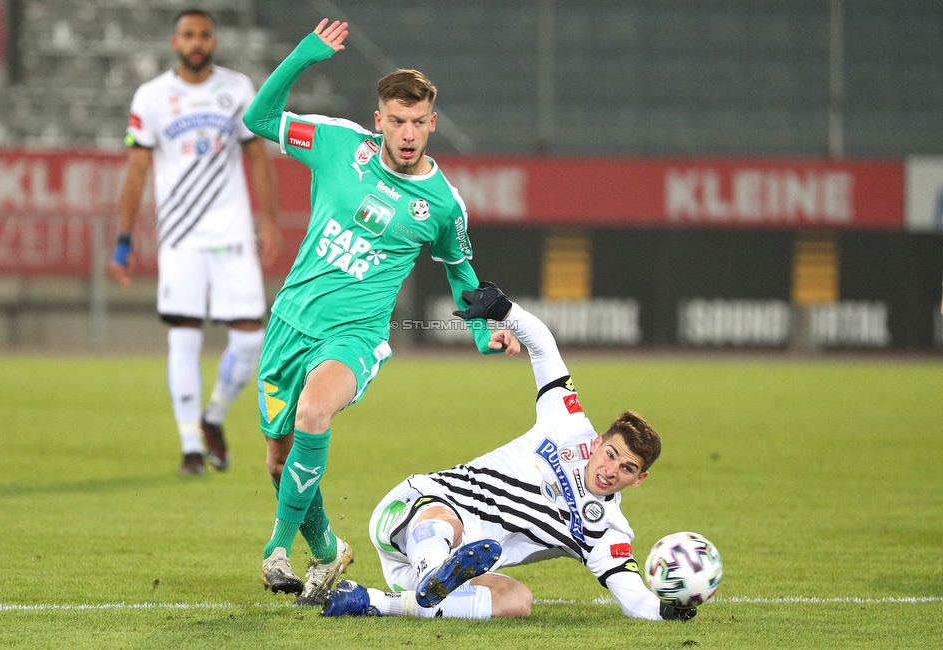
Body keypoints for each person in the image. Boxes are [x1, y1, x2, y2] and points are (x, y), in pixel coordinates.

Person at [241, 20, 515, 605]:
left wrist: (479, 332)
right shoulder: (340, 144)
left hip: (355, 336)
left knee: (315, 411)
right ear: (379, 120)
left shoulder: (442, 203)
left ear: (432, 123)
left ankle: (276, 550)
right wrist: (302, 57)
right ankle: (328, 552)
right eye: (397, 120)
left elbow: (460, 270)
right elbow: (259, 119)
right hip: (290, 321)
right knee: (278, 459)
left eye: (418, 122)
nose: (408, 132)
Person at [321, 283, 698, 622]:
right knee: (450, 521)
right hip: (415, 511)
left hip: (425, 567)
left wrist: (668, 611)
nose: (612, 469)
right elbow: (544, 347)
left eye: (628, 468)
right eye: (612, 453)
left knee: (517, 600)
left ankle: (373, 600)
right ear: (598, 441)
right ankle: (435, 571)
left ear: (638, 480)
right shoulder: (567, 423)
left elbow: (634, 600)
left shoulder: (605, 531)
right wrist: (505, 310)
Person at [109, 8, 281, 476]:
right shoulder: (152, 96)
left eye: (204, 33)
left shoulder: (238, 89)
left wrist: (269, 220)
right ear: (175, 42)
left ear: (214, 41)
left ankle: (213, 417)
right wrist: (123, 240)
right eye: (188, 34)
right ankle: (189, 447)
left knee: (250, 339)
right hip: (180, 237)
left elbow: (258, 159)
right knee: (183, 337)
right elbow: (138, 170)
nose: (197, 41)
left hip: (231, 233)